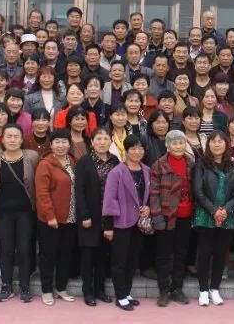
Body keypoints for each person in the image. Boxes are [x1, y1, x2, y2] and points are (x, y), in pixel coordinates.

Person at [0, 124, 39, 303]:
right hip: (3, 212)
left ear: (22, 139)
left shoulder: (32, 156)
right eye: (9, 136)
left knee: (24, 249)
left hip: (26, 212)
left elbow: (36, 184)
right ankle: (6, 286)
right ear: (2, 139)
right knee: (6, 249)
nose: (12, 140)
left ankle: (25, 286)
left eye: (16, 136)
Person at [102, 134, 151, 311]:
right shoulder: (117, 172)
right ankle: (120, 295)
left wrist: (148, 207)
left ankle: (127, 292)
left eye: (140, 148)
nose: (137, 152)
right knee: (120, 261)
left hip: (139, 222)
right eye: (133, 148)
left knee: (132, 259)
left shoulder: (147, 170)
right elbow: (109, 200)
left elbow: (148, 195)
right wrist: (108, 226)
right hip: (121, 222)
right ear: (127, 150)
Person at [193, 131, 234, 307]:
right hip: (205, 214)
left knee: (221, 253)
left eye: (221, 141)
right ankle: (203, 290)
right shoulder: (201, 164)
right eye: (213, 141)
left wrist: (225, 210)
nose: (217, 144)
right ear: (208, 145)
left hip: (228, 215)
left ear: (226, 144)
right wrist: (214, 211)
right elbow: (198, 191)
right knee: (204, 253)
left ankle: (214, 288)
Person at [149, 130, 194, 307]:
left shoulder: (190, 163)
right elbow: (153, 193)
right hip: (166, 216)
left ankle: (177, 288)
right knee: (164, 255)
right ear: (168, 146)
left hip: (186, 215)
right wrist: (157, 216)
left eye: (181, 143)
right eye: (174, 143)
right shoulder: (159, 165)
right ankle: (164, 290)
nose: (178, 146)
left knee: (181, 253)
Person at [75, 127, 119, 306]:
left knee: (102, 256)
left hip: (107, 216)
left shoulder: (115, 161)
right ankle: (88, 291)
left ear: (111, 141)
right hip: (89, 216)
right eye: (98, 139)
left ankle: (100, 290)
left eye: (105, 138)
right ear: (92, 142)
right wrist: (84, 215)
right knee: (88, 257)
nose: (102, 142)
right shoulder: (84, 161)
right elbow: (79, 191)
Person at [35, 129, 79, 306]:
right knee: (48, 256)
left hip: (71, 217)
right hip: (51, 219)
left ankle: (61, 288)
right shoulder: (45, 164)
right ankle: (46, 290)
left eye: (64, 142)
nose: (61, 145)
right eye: (57, 142)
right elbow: (42, 193)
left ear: (69, 144)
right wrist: (50, 216)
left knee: (65, 255)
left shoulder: (73, 161)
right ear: (51, 145)